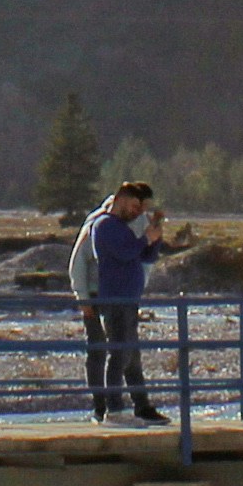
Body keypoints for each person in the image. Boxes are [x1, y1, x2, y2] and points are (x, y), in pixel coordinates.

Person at [70, 176, 162, 419]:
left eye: (142, 208)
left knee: (128, 353)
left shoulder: (129, 224)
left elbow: (142, 255)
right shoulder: (102, 224)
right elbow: (117, 253)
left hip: (127, 298)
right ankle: (108, 407)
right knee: (109, 353)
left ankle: (138, 405)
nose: (138, 212)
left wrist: (154, 238)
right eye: (136, 206)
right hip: (102, 296)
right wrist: (82, 297)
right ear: (122, 200)